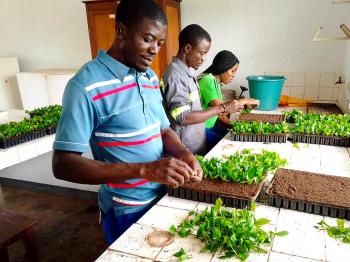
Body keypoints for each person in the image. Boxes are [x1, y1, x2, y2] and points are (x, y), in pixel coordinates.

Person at [52, 0, 202, 245]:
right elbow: (63, 165)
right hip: (126, 209)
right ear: (121, 31)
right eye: (147, 39)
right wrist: (145, 169)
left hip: (164, 195)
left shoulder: (150, 77)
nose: (154, 49)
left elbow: (163, 129)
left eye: (160, 43)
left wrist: (184, 153)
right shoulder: (85, 85)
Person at [161, 25, 244, 154]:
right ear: (188, 48)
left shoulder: (186, 73)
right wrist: (222, 108)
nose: (204, 59)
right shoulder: (175, 76)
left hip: (196, 142)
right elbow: (183, 117)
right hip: (185, 147)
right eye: (202, 53)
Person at [198, 50, 259, 149]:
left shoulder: (215, 82)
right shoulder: (208, 80)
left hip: (209, 127)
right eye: (233, 71)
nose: (233, 75)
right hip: (202, 130)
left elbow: (221, 115)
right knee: (234, 146)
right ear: (223, 67)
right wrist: (245, 101)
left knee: (236, 138)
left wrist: (239, 128)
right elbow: (221, 109)